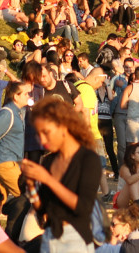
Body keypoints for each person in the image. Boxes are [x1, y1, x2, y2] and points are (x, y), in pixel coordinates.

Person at [20, 95, 103, 253]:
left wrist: (48, 180)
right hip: (50, 238)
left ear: (63, 126)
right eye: (38, 134)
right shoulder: (49, 161)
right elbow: (42, 209)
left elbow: (83, 207)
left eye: (46, 132)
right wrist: (31, 185)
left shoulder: (88, 159)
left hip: (75, 240)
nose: (42, 140)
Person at [0, 80, 29, 198]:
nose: (28, 96)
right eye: (25, 94)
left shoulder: (19, 112)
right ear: (16, 97)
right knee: (23, 195)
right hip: (5, 162)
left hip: (11, 161)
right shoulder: (8, 113)